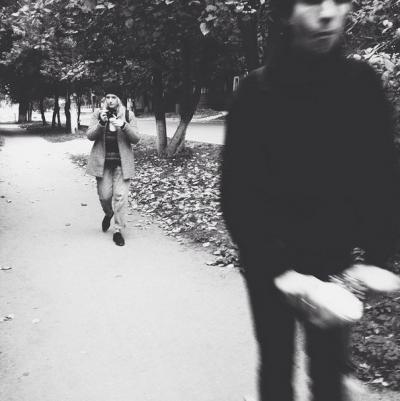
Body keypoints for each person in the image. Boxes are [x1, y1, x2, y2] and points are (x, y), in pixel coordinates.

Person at [221, 1, 400, 400]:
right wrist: (277, 270)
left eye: (339, 0)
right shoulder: (256, 91)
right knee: (276, 367)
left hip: (333, 261)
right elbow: (237, 193)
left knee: (329, 373)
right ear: (286, 12)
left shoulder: (361, 85)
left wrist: (376, 258)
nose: (328, 13)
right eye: (313, 1)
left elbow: (382, 179)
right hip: (270, 267)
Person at [86, 84, 140, 246]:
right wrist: (101, 123)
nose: (110, 100)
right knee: (104, 196)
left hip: (122, 164)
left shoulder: (128, 114)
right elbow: (90, 135)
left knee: (120, 197)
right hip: (103, 165)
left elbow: (136, 139)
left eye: (113, 97)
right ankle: (108, 213)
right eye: (108, 97)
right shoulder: (98, 114)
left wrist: (123, 125)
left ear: (119, 99)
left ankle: (118, 231)